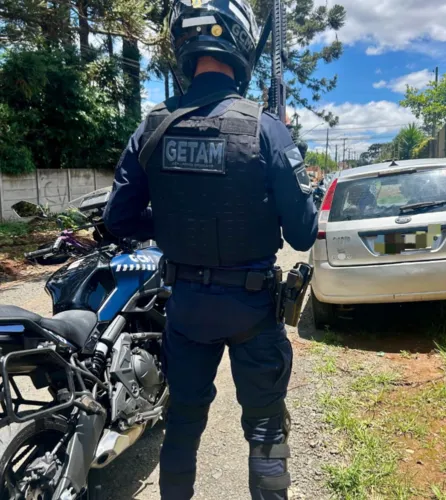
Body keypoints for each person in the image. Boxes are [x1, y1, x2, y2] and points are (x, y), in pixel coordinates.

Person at [102, 1, 317, 499]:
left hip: (187, 310)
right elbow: (303, 234)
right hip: (252, 308)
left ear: (184, 50)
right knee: (264, 432)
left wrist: (173, 224)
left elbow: (119, 219)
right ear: (240, 46)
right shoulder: (266, 128)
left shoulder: (151, 129)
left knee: (182, 424)